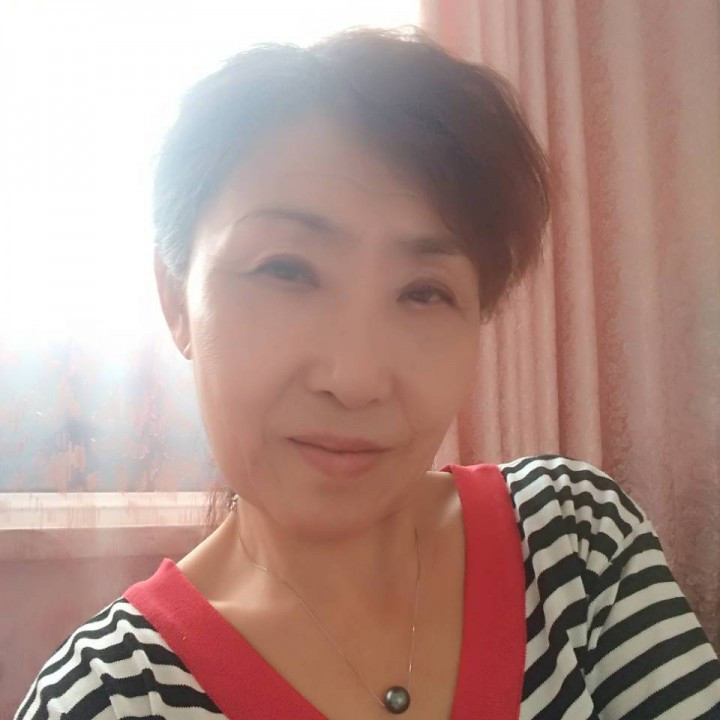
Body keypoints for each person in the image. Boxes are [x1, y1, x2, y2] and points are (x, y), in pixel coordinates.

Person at [14, 26, 720, 720]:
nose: (354, 380)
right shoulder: (110, 696)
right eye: (286, 270)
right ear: (176, 298)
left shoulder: (573, 545)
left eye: (424, 292)